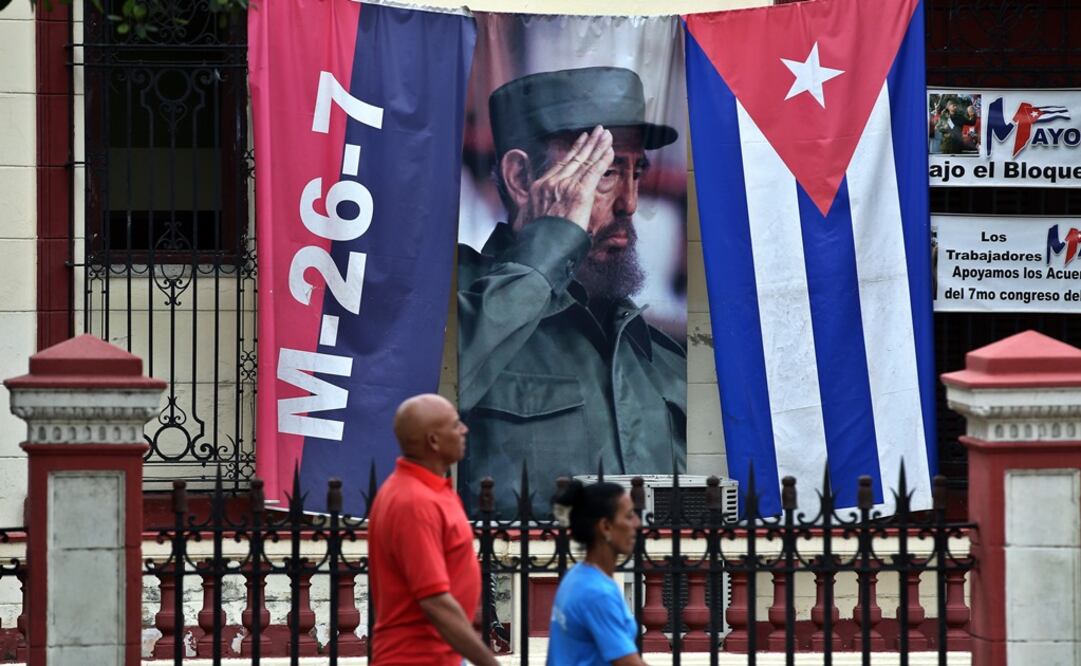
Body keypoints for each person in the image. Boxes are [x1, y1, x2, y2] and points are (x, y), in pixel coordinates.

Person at [457, 66, 688, 518]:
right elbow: (412, 405)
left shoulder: (660, 355)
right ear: (521, 178)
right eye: (602, 173)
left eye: (635, 172)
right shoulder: (455, 301)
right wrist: (555, 238)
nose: (630, 202)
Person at [367, 394, 498, 666]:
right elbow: (434, 600)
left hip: (442, 654)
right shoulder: (414, 501)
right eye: (454, 425)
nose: (464, 429)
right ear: (433, 441)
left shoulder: (430, 490)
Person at [546, 480, 646, 666]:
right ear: (606, 527)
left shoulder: (577, 576)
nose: (637, 523)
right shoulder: (597, 593)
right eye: (629, 516)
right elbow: (629, 663)